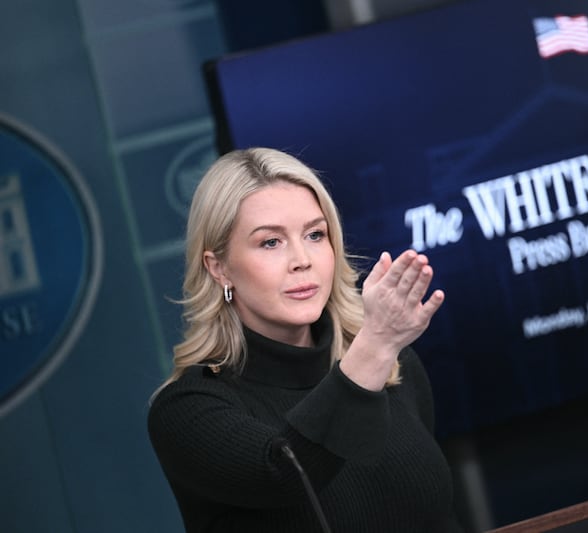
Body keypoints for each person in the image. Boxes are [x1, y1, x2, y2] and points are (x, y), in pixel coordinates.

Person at [147, 147, 463, 532]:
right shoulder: (186, 408)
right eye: (270, 242)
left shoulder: (395, 367)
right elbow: (284, 473)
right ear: (219, 268)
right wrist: (375, 345)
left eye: (315, 235)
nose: (302, 259)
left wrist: (377, 350)